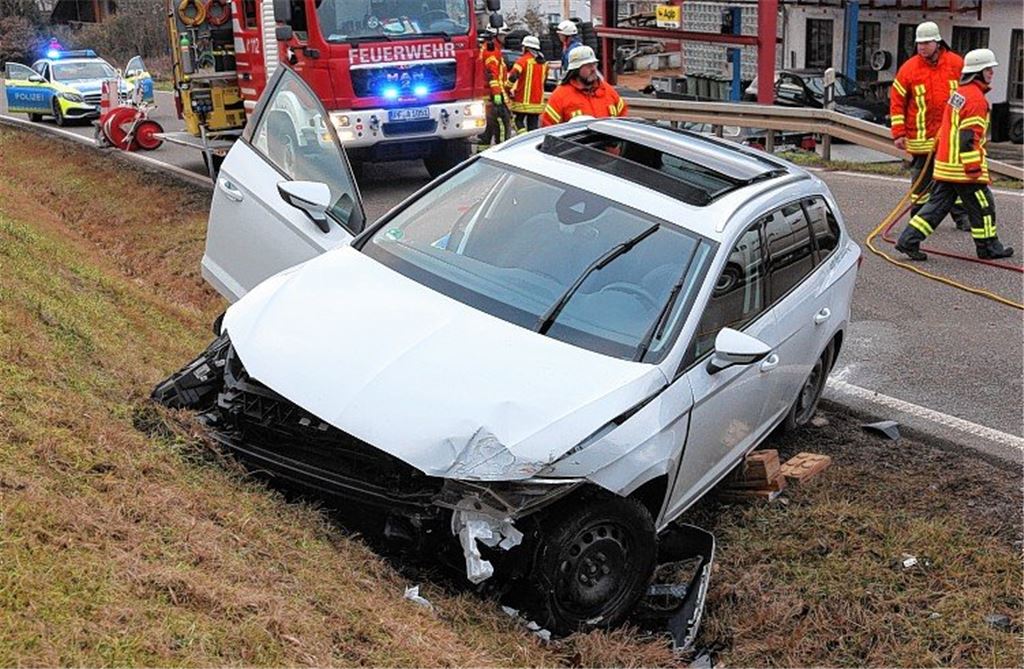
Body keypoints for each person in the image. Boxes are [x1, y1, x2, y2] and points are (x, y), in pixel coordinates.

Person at [895, 49, 1013, 261]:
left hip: (946, 166)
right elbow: (967, 139)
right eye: (988, 69)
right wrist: (974, 169)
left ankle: (908, 240)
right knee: (984, 205)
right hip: (962, 169)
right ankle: (988, 247)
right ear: (978, 72)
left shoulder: (959, 94)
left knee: (936, 206)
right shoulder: (976, 99)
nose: (992, 73)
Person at [890, 21, 971, 231]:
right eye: (919, 44)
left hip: (950, 137)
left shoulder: (956, 64)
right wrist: (899, 133)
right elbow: (897, 101)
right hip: (921, 138)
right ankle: (918, 219)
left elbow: (970, 93)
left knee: (955, 178)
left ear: (937, 42)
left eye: (926, 43)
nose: (921, 47)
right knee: (921, 182)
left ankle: (962, 217)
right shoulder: (909, 69)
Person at [542, 46, 626, 127]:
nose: (593, 69)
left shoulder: (608, 91)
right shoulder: (560, 96)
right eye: (588, 66)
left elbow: (624, 120)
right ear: (576, 69)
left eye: (594, 64)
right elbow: (548, 128)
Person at [476, 25, 511, 145]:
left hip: (486, 94)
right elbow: (493, 75)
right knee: (501, 125)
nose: (504, 38)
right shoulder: (492, 52)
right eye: (502, 35)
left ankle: (483, 151)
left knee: (488, 128)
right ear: (495, 35)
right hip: (493, 95)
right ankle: (502, 150)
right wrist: (497, 95)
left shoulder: (487, 49)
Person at [507, 35, 547, 133]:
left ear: (526, 48)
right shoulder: (544, 63)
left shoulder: (523, 61)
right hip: (537, 103)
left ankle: (522, 138)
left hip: (522, 101)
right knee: (533, 127)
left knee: (517, 121)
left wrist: (507, 89)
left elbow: (513, 76)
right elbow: (544, 81)